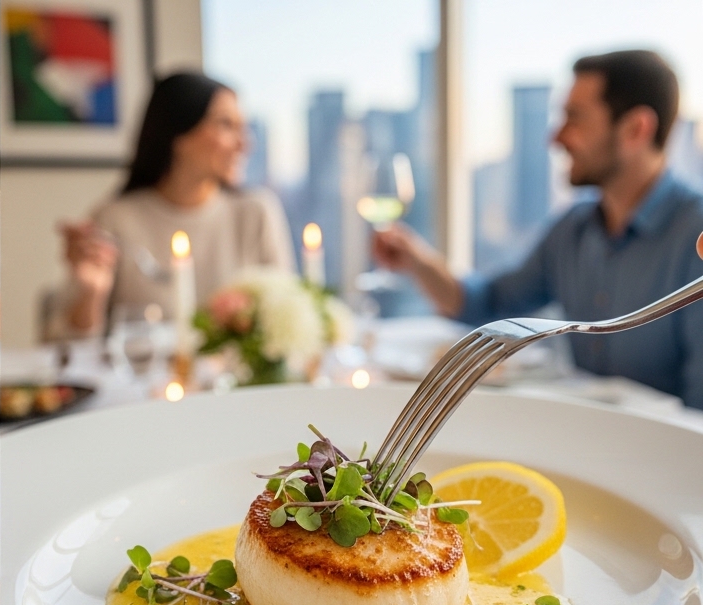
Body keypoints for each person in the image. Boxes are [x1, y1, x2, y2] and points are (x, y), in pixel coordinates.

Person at [373, 50, 703, 407]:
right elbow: (488, 305)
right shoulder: (572, 230)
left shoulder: (695, 235)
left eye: (574, 119)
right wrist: (417, 260)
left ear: (635, 129)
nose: (556, 137)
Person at [48, 72, 294, 339]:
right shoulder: (115, 219)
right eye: (226, 125)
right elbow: (62, 347)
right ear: (178, 134)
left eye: (242, 127)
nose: (245, 143)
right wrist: (91, 292)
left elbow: (285, 327)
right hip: (144, 378)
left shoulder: (255, 213)